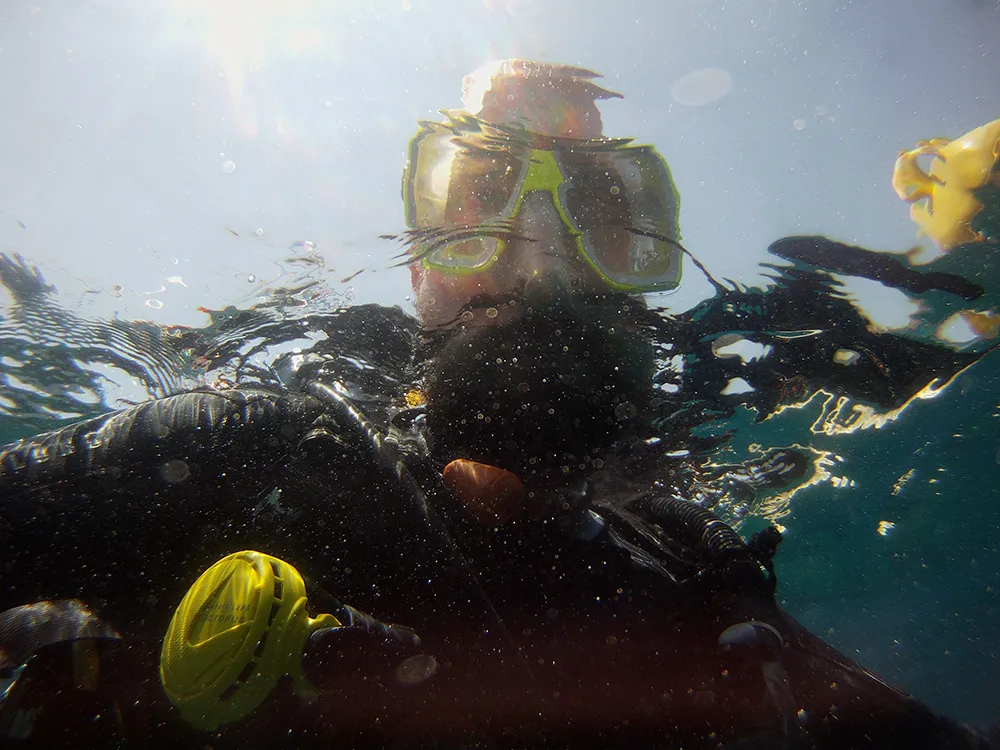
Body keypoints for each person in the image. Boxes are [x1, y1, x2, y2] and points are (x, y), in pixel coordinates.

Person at [0, 59, 997, 749]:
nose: (546, 259)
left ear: (645, 260)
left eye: (604, 211)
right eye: (480, 201)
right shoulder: (241, 459)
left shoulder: (696, 571)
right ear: (421, 274)